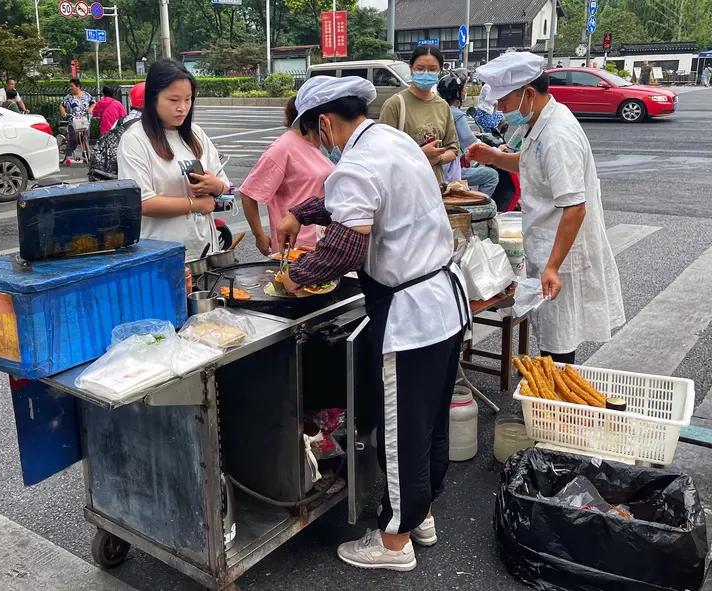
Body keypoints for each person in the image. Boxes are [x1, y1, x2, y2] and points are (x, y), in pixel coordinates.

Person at [275, 76, 470, 572]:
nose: (320, 143)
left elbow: (346, 247)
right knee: (429, 424)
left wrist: (295, 278)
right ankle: (420, 515)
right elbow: (353, 200)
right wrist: (301, 213)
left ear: (324, 123)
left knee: (402, 430)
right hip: (445, 302)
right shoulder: (391, 139)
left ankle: (392, 542)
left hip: (411, 313)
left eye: (315, 134)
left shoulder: (358, 161)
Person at [467, 52, 625, 364]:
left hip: (563, 252)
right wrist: (495, 157)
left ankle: (554, 406)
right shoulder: (539, 120)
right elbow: (531, 164)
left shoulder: (557, 134)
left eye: (504, 102)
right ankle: (549, 399)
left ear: (528, 93)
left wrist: (552, 266)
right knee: (551, 335)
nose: (500, 109)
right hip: (547, 244)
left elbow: (575, 207)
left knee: (559, 338)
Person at [117, 59, 229, 259]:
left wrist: (216, 186)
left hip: (203, 250)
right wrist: (196, 204)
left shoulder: (196, 134)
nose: (182, 108)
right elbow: (143, 202)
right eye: (173, 100)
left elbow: (225, 187)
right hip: (161, 253)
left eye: (188, 99)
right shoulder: (135, 139)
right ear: (153, 99)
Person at [239, 97, 334, 255]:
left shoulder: (321, 145)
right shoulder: (283, 148)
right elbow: (248, 193)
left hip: (322, 242)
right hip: (295, 247)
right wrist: (259, 236)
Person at [379, 45, 459, 184]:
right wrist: (420, 155)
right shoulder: (395, 104)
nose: (426, 73)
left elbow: (453, 149)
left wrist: (438, 159)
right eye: (420, 69)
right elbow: (381, 153)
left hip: (435, 185)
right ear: (411, 69)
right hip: (405, 187)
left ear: (439, 71)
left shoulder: (442, 106)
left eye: (432, 69)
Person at [437, 74, 499, 197]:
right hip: (447, 171)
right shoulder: (456, 114)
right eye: (463, 89)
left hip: (438, 167)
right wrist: (496, 150)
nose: (465, 91)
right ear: (457, 93)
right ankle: (479, 208)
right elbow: (470, 142)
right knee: (491, 176)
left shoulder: (439, 109)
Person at [59, 78, 96, 162]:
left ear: (78, 86)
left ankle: (86, 155)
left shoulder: (86, 95)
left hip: (84, 120)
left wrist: (90, 109)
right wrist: (64, 113)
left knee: (85, 137)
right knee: (73, 138)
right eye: (70, 86)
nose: (71, 88)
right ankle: (68, 156)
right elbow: (61, 105)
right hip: (73, 121)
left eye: (72, 86)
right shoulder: (69, 97)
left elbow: (93, 103)